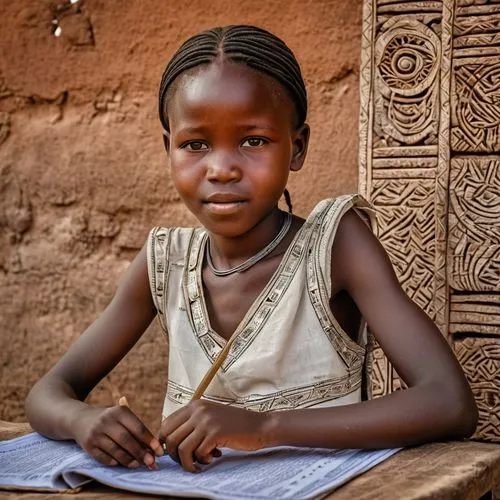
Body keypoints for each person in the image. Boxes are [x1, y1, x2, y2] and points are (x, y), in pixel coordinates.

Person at [25, 25, 478, 474]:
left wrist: (266, 427)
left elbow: (448, 402)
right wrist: (82, 420)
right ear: (169, 150)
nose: (221, 168)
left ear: (296, 147)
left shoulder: (335, 245)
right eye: (195, 144)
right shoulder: (165, 262)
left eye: (253, 141)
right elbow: (48, 393)